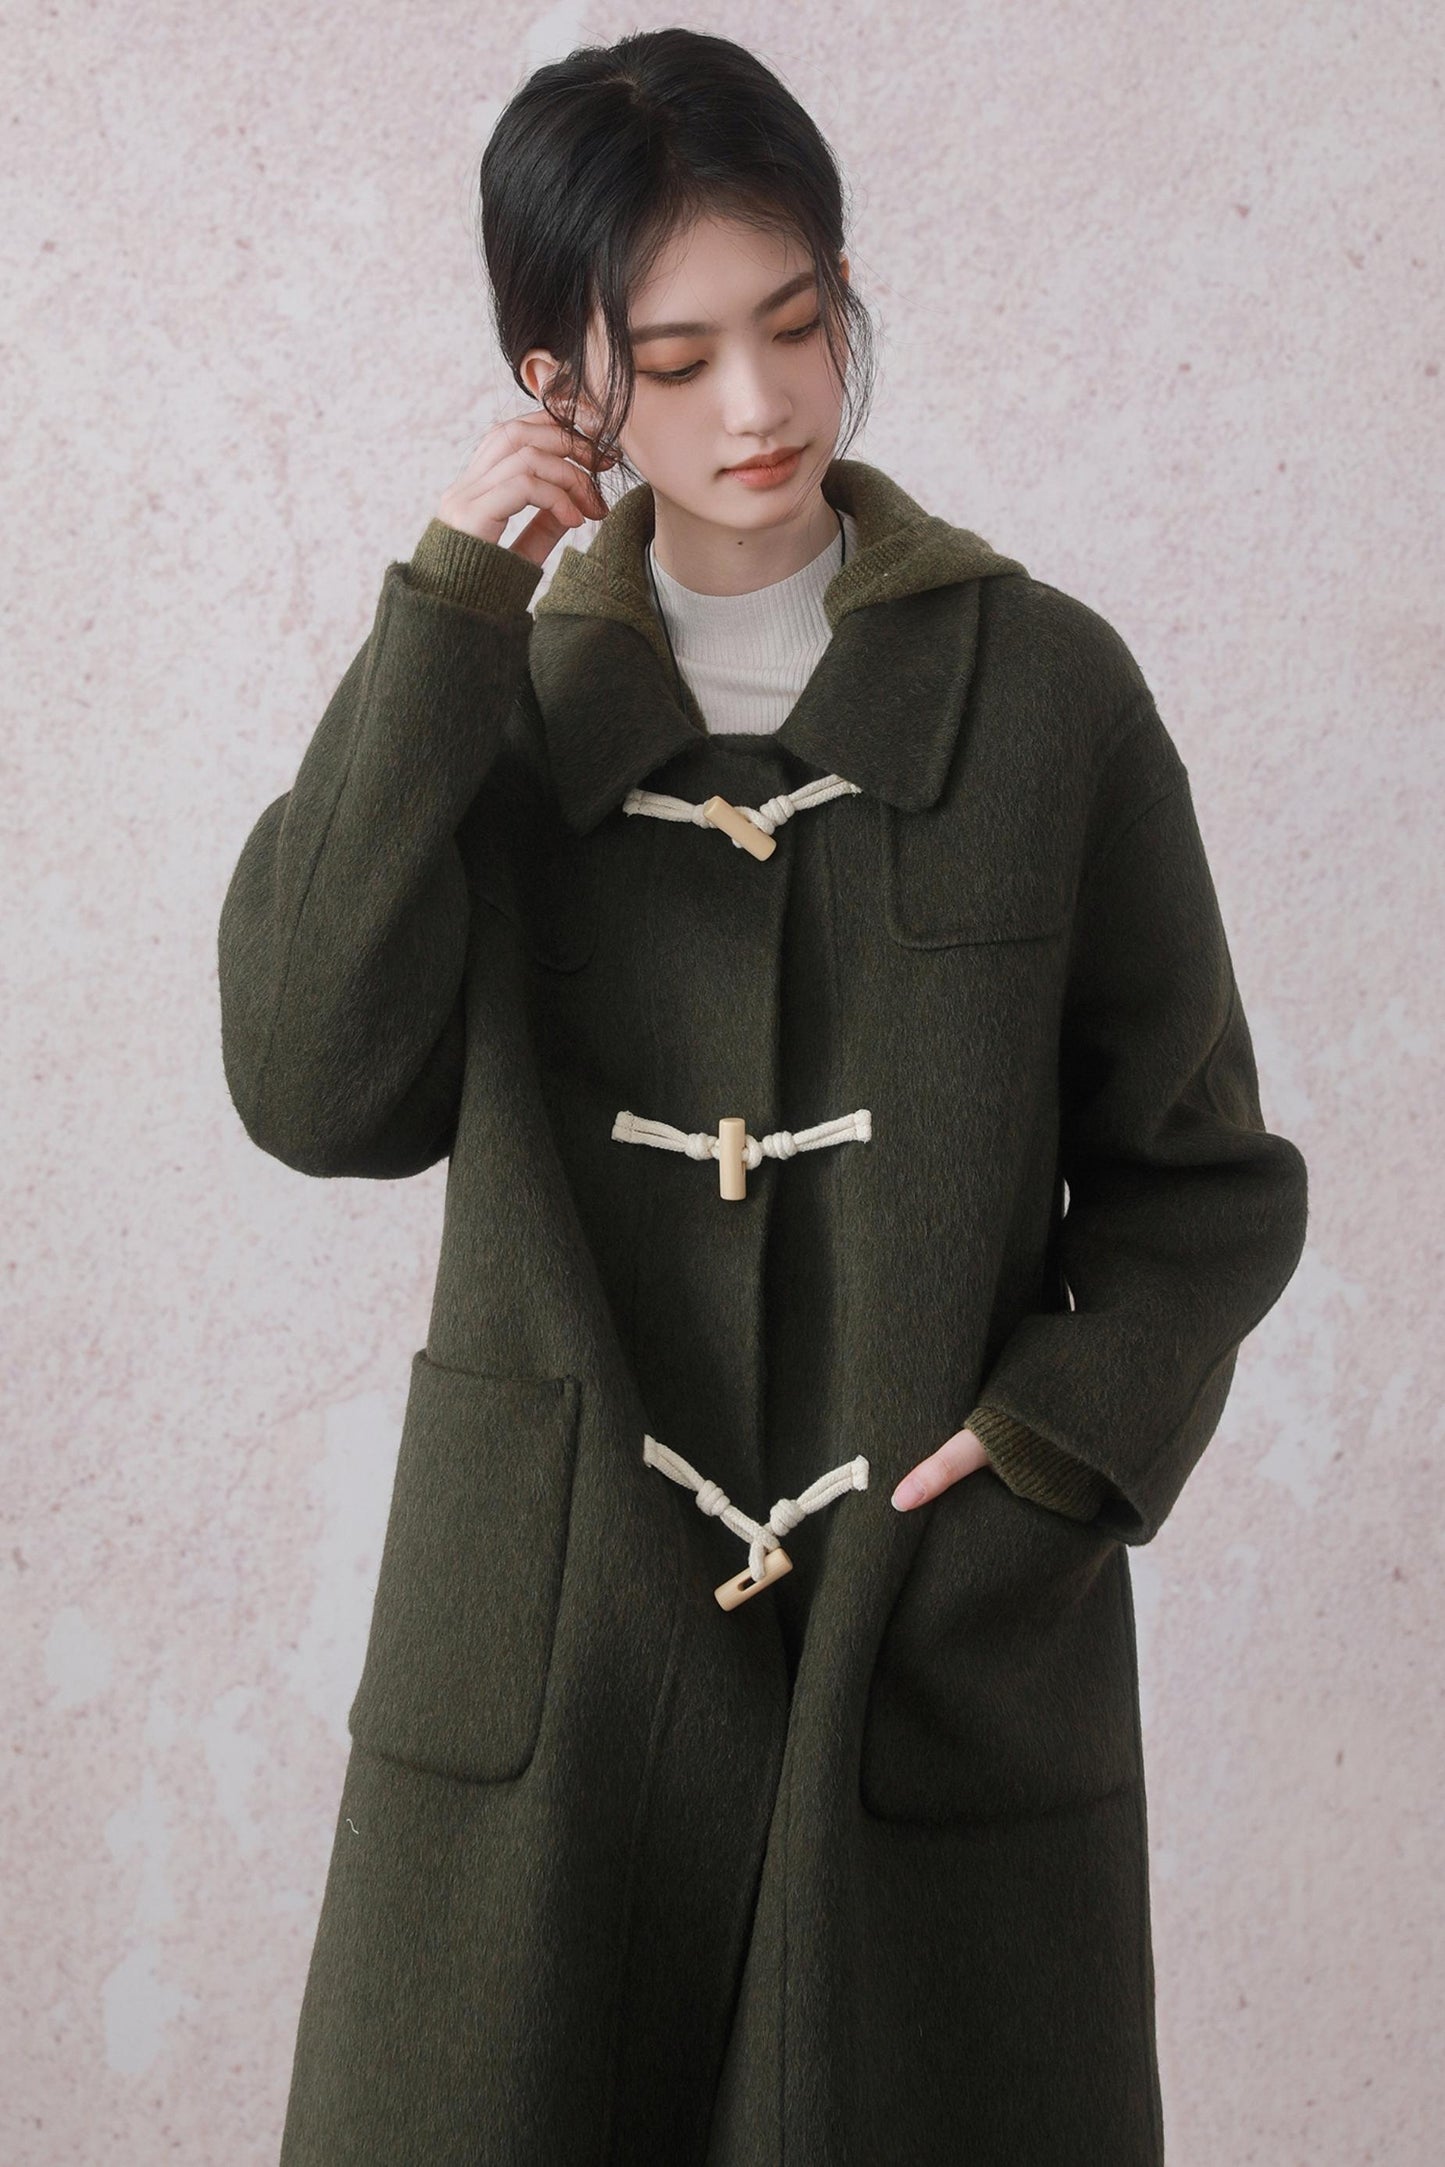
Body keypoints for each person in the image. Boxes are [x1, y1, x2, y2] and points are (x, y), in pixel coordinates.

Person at [218, 27, 1309, 2166]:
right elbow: (309, 1082)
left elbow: (1201, 1186)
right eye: (679, 354)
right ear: (560, 381)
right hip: (549, 1664)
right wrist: (445, 609)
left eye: (797, 324)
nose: (759, 405)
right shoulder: (486, 710)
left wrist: (1048, 1458)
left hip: (922, 1659)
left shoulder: (1046, 692)